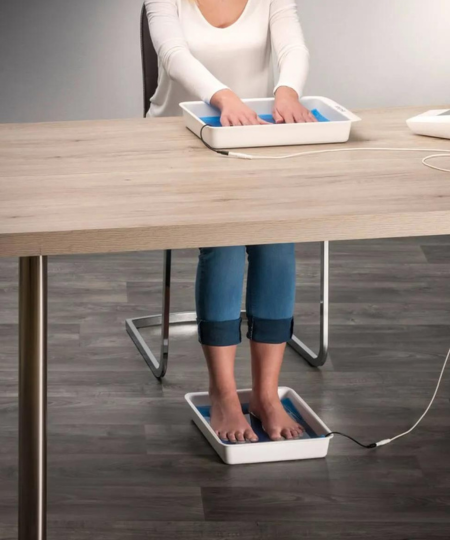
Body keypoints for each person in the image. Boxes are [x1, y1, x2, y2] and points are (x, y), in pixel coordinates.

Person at [144, 0, 316, 443]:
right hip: (179, 140)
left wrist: (286, 91)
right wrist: (224, 97)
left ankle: (266, 394)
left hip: (252, 138)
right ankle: (222, 394)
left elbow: (293, 47)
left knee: (276, 240)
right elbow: (173, 54)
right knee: (223, 240)